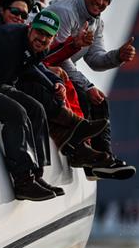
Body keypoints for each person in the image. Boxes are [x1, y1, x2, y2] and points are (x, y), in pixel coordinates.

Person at [0, 23, 106, 201]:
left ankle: (36, 176)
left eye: (47, 36)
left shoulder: (39, 49)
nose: (42, 39)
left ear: (52, 38)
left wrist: (52, 85)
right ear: (30, 29)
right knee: (16, 113)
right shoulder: (5, 39)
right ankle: (23, 181)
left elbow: (30, 68)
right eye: (39, 32)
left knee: (36, 109)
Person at [49, 0, 137, 180]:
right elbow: (58, 56)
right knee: (88, 95)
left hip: (62, 71)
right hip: (46, 67)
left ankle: (101, 160)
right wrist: (87, 86)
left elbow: (95, 59)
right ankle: (91, 158)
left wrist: (118, 56)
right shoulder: (66, 12)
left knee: (99, 99)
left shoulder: (96, 22)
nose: (101, 2)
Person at [16, 10, 109, 166]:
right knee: (39, 97)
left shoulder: (37, 45)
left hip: (18, 82)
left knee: (64, 86)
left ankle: (81, 148)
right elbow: (28, 66)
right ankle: (76, 131)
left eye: (48, 35)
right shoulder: (10, 34)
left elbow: (38, 64)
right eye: (15, 11)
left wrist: (56, 81)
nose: (18, 17)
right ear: (30, 27)